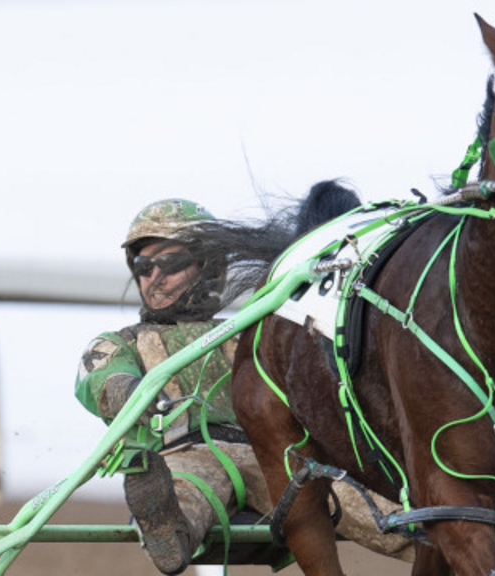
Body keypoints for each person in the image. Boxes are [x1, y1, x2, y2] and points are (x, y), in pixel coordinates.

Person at [75, 198, 413, 575]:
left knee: (373, 510)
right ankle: (166, 527)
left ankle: (439, 533)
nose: (155, 276)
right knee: (182, 492)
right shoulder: (122, 342)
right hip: (184, 454)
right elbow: (101, 377)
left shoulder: (251, 329)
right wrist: (131, 392)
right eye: (143, 266)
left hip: (276, 456)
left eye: (170, 264)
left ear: (211, 268)